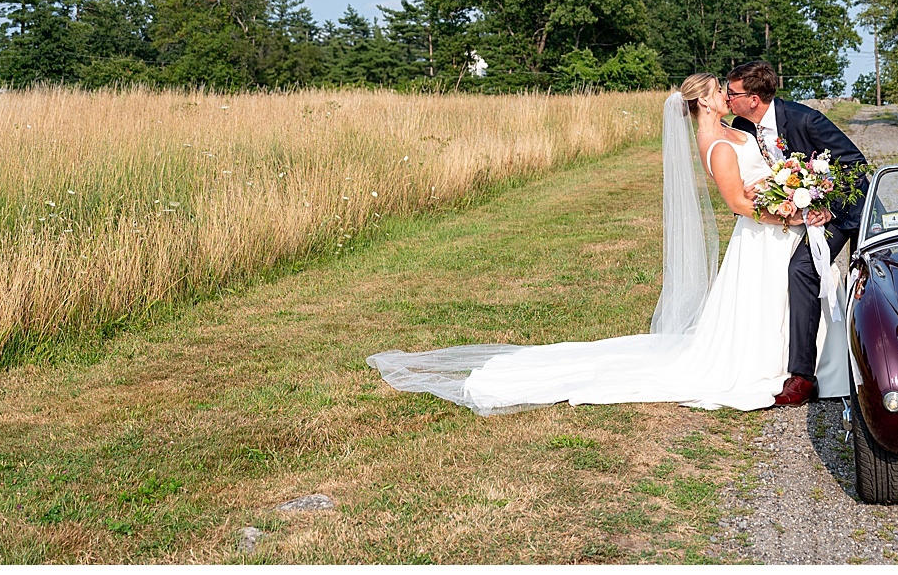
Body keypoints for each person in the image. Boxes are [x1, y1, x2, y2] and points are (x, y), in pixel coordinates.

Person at [367, 74, 807, 414]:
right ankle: (764, 364)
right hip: (762, 231)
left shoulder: (735, 130)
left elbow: (759, 178)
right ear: (705, 101)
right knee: (762, 302)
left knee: (779, 298)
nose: (726, 95)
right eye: (719, 91)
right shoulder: (717, 145)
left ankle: (796, 360)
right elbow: (738, 202)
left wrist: (791, 187)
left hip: (774, 227)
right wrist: (790, 209)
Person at [724, 59, 869, 406]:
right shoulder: (742, 123)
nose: (728, 99)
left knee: (802, 269)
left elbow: (856, 165)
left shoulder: (806, 119)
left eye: (733, 93)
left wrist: (828, 208)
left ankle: (803, 376)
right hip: (787, 215)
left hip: (836, 214)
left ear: (754, 98)